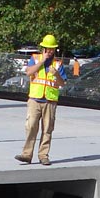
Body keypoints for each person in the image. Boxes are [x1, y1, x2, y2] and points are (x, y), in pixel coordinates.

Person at [15, 34, 65, 166]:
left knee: (47, 129)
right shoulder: (35, 59)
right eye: (47, 49)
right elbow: (29, 72)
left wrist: (57, 74)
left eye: (51, 49)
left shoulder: (58, 64)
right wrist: (42, 61)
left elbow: (62, 83)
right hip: (35, 99)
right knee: (31, 126)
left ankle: (43, 155)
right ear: (43, 48)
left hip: (50, 101)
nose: (49, 51)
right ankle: (27, 154)